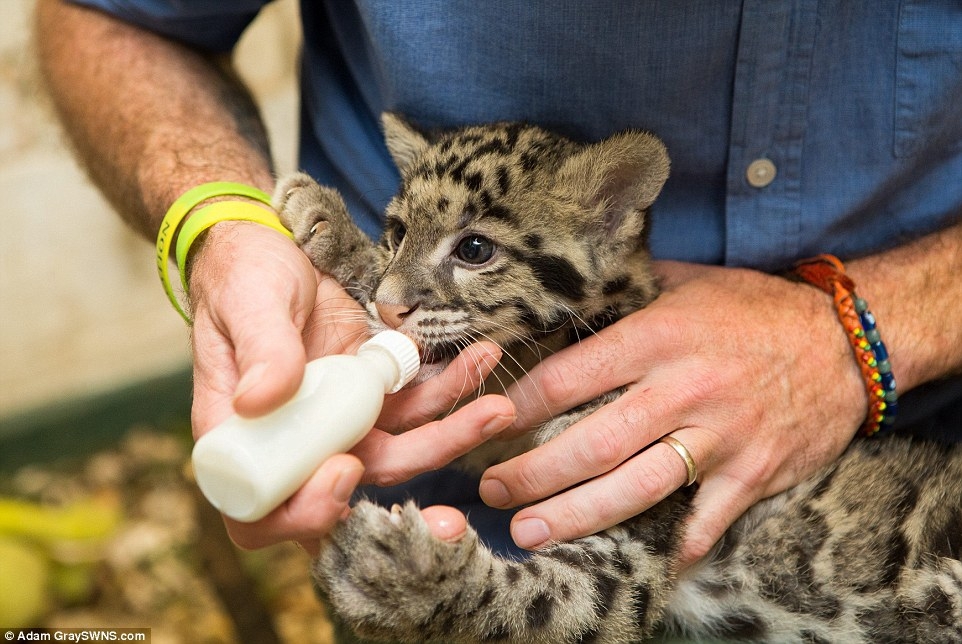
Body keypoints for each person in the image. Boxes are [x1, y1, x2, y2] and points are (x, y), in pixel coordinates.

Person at [38, 0, 962, 574]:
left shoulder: (586, 233)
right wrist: (222, 227)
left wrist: (872, 326)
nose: (397, 295)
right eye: (400, 238)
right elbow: (113, 14)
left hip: (909, 485)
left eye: (472, 251)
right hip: (436, 511)